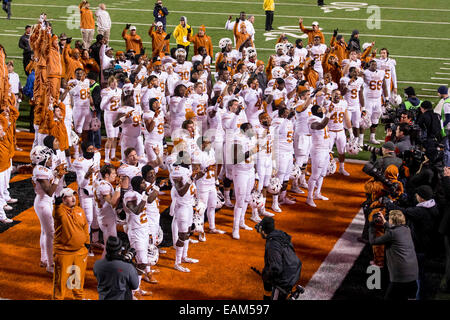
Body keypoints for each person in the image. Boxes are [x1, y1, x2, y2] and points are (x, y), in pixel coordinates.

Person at [385, 185, 440, 299]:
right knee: (420, 273)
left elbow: (404, 212)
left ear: (422, 198)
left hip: (418, 246)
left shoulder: (421, 211)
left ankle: (416, 296)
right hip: (427, 244)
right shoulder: (433, 206)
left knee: (415, 274)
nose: (416, 196)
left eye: (418, 194)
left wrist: (389, 204)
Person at [369, 210, 419, 300]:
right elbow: (394, 230)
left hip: (400, 277)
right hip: (413, 275)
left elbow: (373, 241)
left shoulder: (392, 234)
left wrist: (372, 227)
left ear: (392, 220)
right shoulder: (406, 229)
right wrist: (384, 221)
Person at [52, 188, 90, 300]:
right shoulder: (60, 211)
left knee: (77, 279)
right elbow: (57, 210)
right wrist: (58, 203)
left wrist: (87, 243)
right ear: (63, 199)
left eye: (74, 195)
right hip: (64, 253)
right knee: (61, 281)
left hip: (80, 251)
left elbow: (85, 226)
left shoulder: (79, 210)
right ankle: (58, 299)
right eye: (69, 196)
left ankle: (78, 297)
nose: (73, 198)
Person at [258, 217, 302, 300]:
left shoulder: (272, 244)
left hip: (285, 278)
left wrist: (266, 276)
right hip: (294, 269)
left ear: (263, 231)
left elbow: (276, 268)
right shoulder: (280, 235)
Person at [93, 236, 141, 300]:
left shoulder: (97, 264)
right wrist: (130, 263)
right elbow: (135, 286)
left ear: (106, 249)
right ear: (120, 250)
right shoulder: (128, 267)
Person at [306, 104, 331, 208]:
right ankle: (309, 197)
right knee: (315, 175)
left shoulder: (321, 118)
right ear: (315, 111)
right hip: (318, 150)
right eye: (320, 110)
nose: (322, 111)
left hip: (325, 149)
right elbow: (320, 126)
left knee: (322, 174)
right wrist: (329, 113)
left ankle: (317, 193)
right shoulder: (312, 120)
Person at [437, 86, 450, 167]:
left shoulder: (446, 103)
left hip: (448, 128)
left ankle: (447, 166)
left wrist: (441, 126)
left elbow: (448, 118)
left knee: (447, 149)